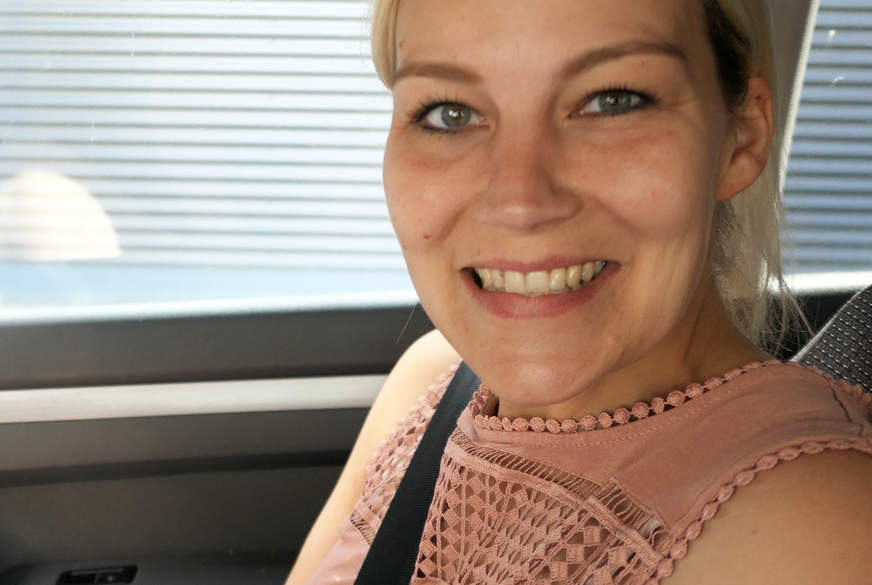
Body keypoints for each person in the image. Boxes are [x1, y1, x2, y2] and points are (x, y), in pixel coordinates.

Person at [288, 0, 872, 583]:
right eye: (450, 113)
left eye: (612, 101)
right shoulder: (427, 383)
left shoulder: (821, 533)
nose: (520, 203)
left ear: (741, 138)